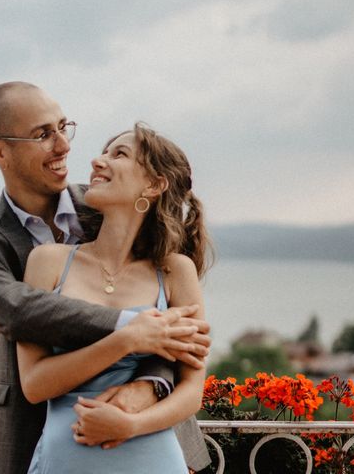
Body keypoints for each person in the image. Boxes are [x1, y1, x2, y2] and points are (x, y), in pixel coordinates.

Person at [0, 82, 211, 474]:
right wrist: (131, 330)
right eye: (42, 134)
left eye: (62, 127)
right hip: (42, 435)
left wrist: (148, 386)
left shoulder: (110, 201)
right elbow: (19, 312)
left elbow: (176, 339)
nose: (64, 146)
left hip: (152, 438)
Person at [17, 123, 212, 473]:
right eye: (103, 152)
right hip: (64, 462)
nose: (96, 161)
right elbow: (33, 385)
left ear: (153, 184)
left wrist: (131, 426)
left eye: (118, 154)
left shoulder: (174, 272)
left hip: (153, 459)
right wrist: (128, 339)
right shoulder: (48, 262)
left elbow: (191, 392)